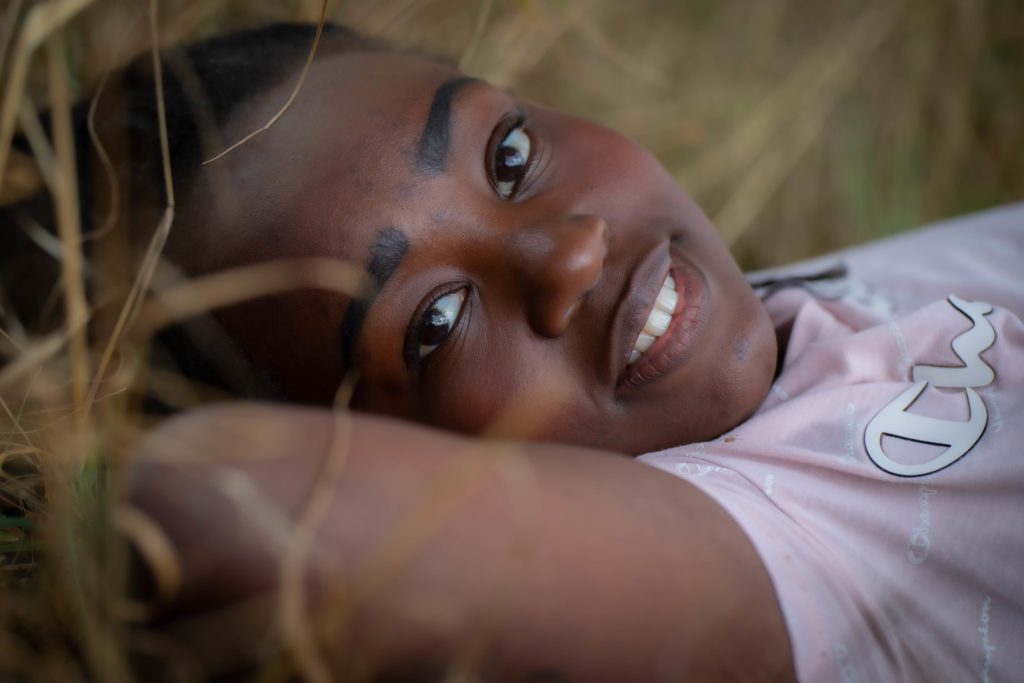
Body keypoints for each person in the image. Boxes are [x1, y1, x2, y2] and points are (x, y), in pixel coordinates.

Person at [4, 22, 1022, 683]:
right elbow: (202, 503)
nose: (570, 251)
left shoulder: (752, 324)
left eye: (510, 154)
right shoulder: (774, 550)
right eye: (434, 325)